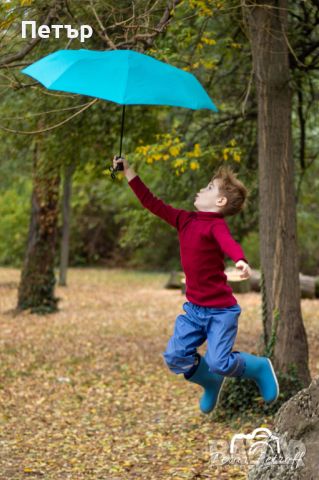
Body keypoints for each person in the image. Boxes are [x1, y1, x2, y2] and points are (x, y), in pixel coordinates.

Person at [113, 156, 279, 414]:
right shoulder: (184, 220)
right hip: (194, 310)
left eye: (208, 189)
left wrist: (241, 260)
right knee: (175, 357)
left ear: (220, 201)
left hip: (221, 312)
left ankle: (258, 368)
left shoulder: (216, 226)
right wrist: (128, 172)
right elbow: (151, 202)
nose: (201, 190)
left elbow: (229, 243)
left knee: (219, 361)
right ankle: (210, 382)